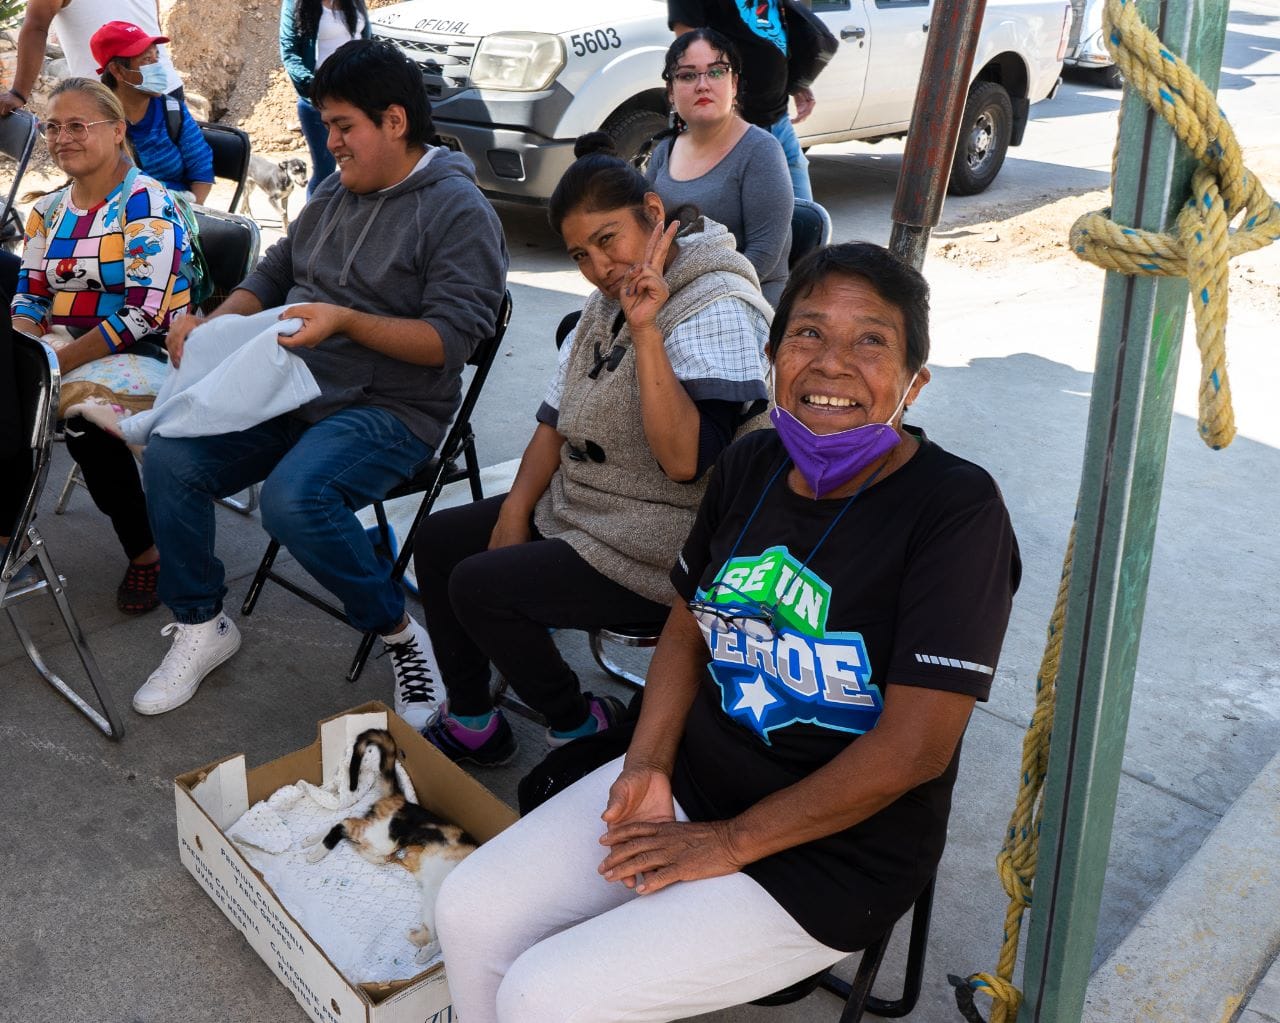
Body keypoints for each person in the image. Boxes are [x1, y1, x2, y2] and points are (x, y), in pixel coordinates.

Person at [433, 242, 1022, 1023]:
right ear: (774, 355)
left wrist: (729, 842)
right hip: (692, 782)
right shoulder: (754, 463)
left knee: (546, 995)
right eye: (808, 333)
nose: (832, 363)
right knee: (469, 906)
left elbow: (916, 747)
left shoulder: (955, 511)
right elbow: (687, 618)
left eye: (870, 340)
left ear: (915, 380)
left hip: (829, 856)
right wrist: (646, 761)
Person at [134, 39, 508, 722]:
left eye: (343, 126)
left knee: (294, 500)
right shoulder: (339, 187)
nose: (328, 141)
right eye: (327, 124)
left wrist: (345, 320)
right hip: (291, 382)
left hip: (394, 408)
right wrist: (213, 320)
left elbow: (450, 343)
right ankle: (202, 622)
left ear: (394, 121)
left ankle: (399, 631)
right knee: (170, 455)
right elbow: (278, 270)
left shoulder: (458, 212)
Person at [413, 133, 771, 765]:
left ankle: (574, 720)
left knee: (480, 587)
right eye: (580, 254)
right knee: (440, 541)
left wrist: (647, 330)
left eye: (609, 240)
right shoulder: (602, 304)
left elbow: (686, 462)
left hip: (662, 546)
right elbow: (552, 422)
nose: (599, 267)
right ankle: (472, 717)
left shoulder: (720, 305)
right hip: (585, 513)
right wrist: (513, 513)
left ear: (654, 214)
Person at [10, 78, 192, 615]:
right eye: (53, 126)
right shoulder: (46, 210)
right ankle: (8, 535)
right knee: (7, 391)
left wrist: (50, 364)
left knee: (84, 421)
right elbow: (31, 294)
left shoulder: (148, 203)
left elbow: (146, 312)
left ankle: (147, 554)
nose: (62, 137)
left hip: (152, 350)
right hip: (66, 344)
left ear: (116, 131)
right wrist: (21, 350)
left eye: (77, 126)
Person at [647, 29, 792, 306]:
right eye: (688, 75)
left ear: (734, 84)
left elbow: (762, 256)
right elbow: (646, 234)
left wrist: (685, 300)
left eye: (716, 72)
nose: (702, 85)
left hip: (744, 300)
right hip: (671, 296)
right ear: (671, 93)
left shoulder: (761, 151)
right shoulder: (664, 151)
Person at [669, 0, 815, 200]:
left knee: (807, 220)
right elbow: (689, 54)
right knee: (742, 223)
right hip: (733, 126)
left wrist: (796, 82)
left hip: (778, 120)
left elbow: (772, 31)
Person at [92, 21, 214, 203]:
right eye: (147, 60)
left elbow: (201, 169)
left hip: (176, 211)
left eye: (156, 57)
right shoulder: (96, 120)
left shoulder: (173, 112)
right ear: (117, 70)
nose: (157, 66)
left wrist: (190, 218)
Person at [0, 0, 179, 118]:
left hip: (164, 91)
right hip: (108, 104)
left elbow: (36, 27)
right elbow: (36, 27)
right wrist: (19, 93)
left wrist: (18, 93)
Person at [280, 0, 371, 197]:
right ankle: (313, 225)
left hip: (359, 98)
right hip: (320, 102)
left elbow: (367, 41)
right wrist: (316, 89)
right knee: (325, 171)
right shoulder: (297, 4)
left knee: (364, 165)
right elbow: (289, 53)